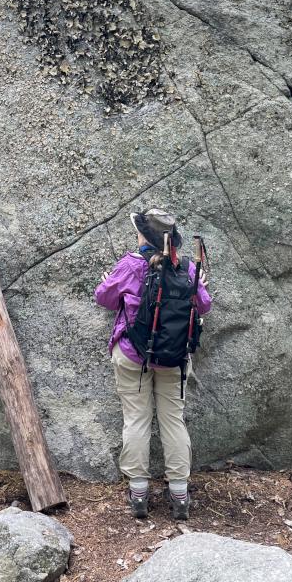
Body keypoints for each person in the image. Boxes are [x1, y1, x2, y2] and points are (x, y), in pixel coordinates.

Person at [94, 208, 212, 520]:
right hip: (173, 358)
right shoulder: (186, 267)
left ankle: (138, 494)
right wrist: (201, 283)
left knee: (136, 420)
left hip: (133, 354)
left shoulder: (131, 264)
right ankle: (179, 495)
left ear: (143, 235)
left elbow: (103, 298)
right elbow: (205, 305)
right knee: (173, 421)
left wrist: (110, 281)